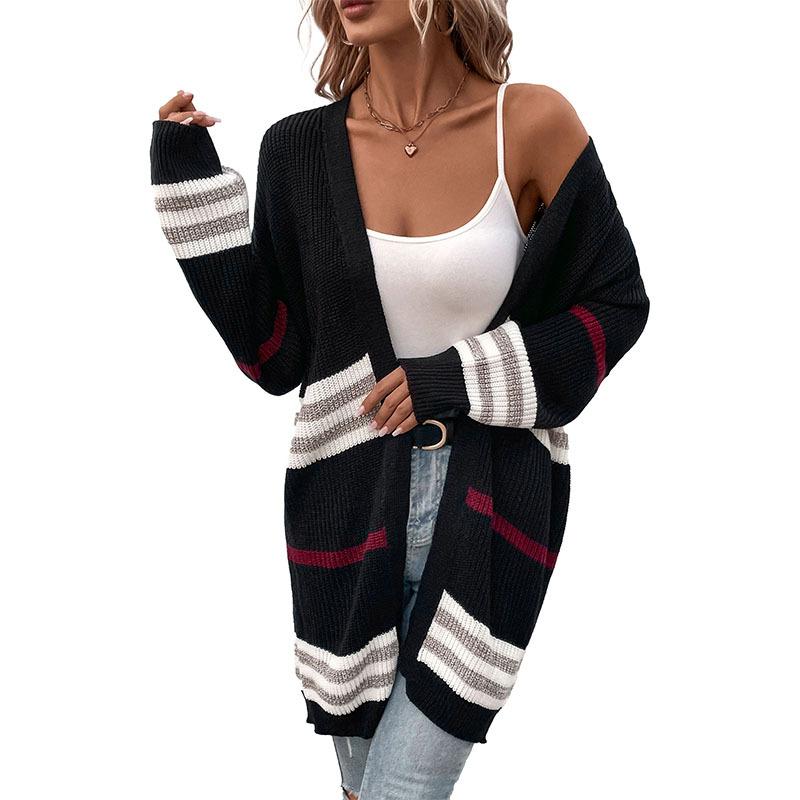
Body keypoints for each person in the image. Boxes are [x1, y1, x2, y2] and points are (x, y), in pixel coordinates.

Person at [149, 2, 649, 798]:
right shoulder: (297, 150)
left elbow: (616, 303)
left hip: (490, 505)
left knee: (402, 788)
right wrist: (192, 195)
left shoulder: (529, 124)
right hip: (344, 509)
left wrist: (452, 377)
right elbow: (277, 357)